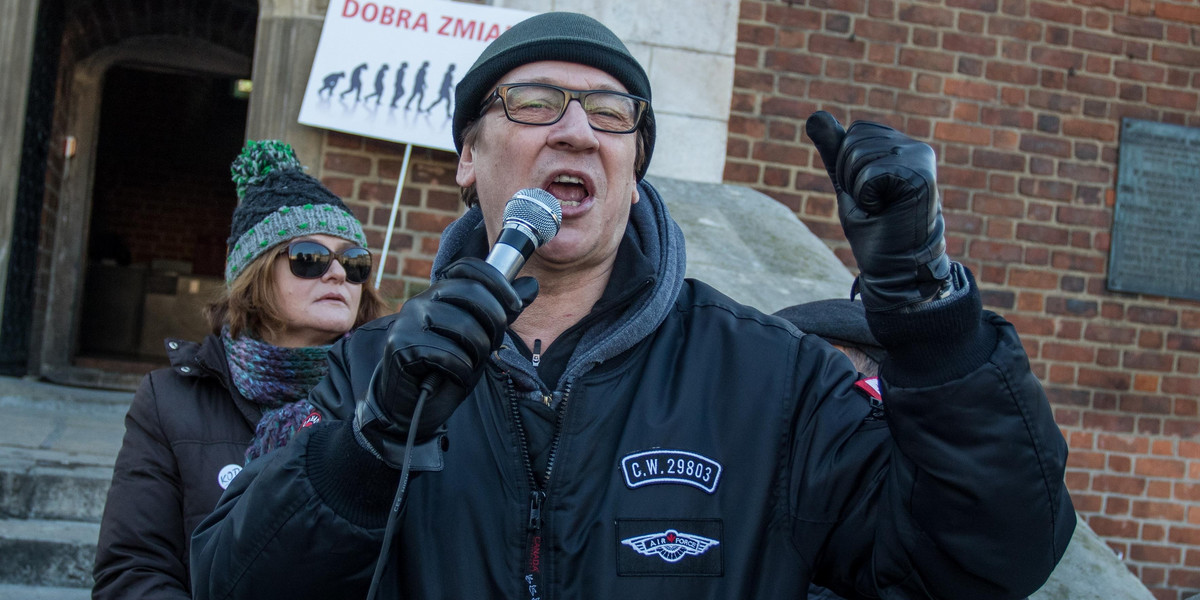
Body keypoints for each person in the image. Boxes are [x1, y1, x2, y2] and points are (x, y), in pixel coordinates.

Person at [191, 12, 1074, 599]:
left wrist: (925, 308)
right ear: (467, 157)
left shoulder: (772, 380)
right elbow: (230, 582)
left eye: (612, 113)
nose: (576, 129)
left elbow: (985, 560)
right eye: (535, 103)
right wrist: (371, 443)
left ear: (632, 162)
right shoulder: (363, 373)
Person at [92, 140, 388, 599]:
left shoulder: (389, 394)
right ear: (254, 275)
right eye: (309, 258)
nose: (336, 274)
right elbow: (133, 570)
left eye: (354, 262)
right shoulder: (169, 401)